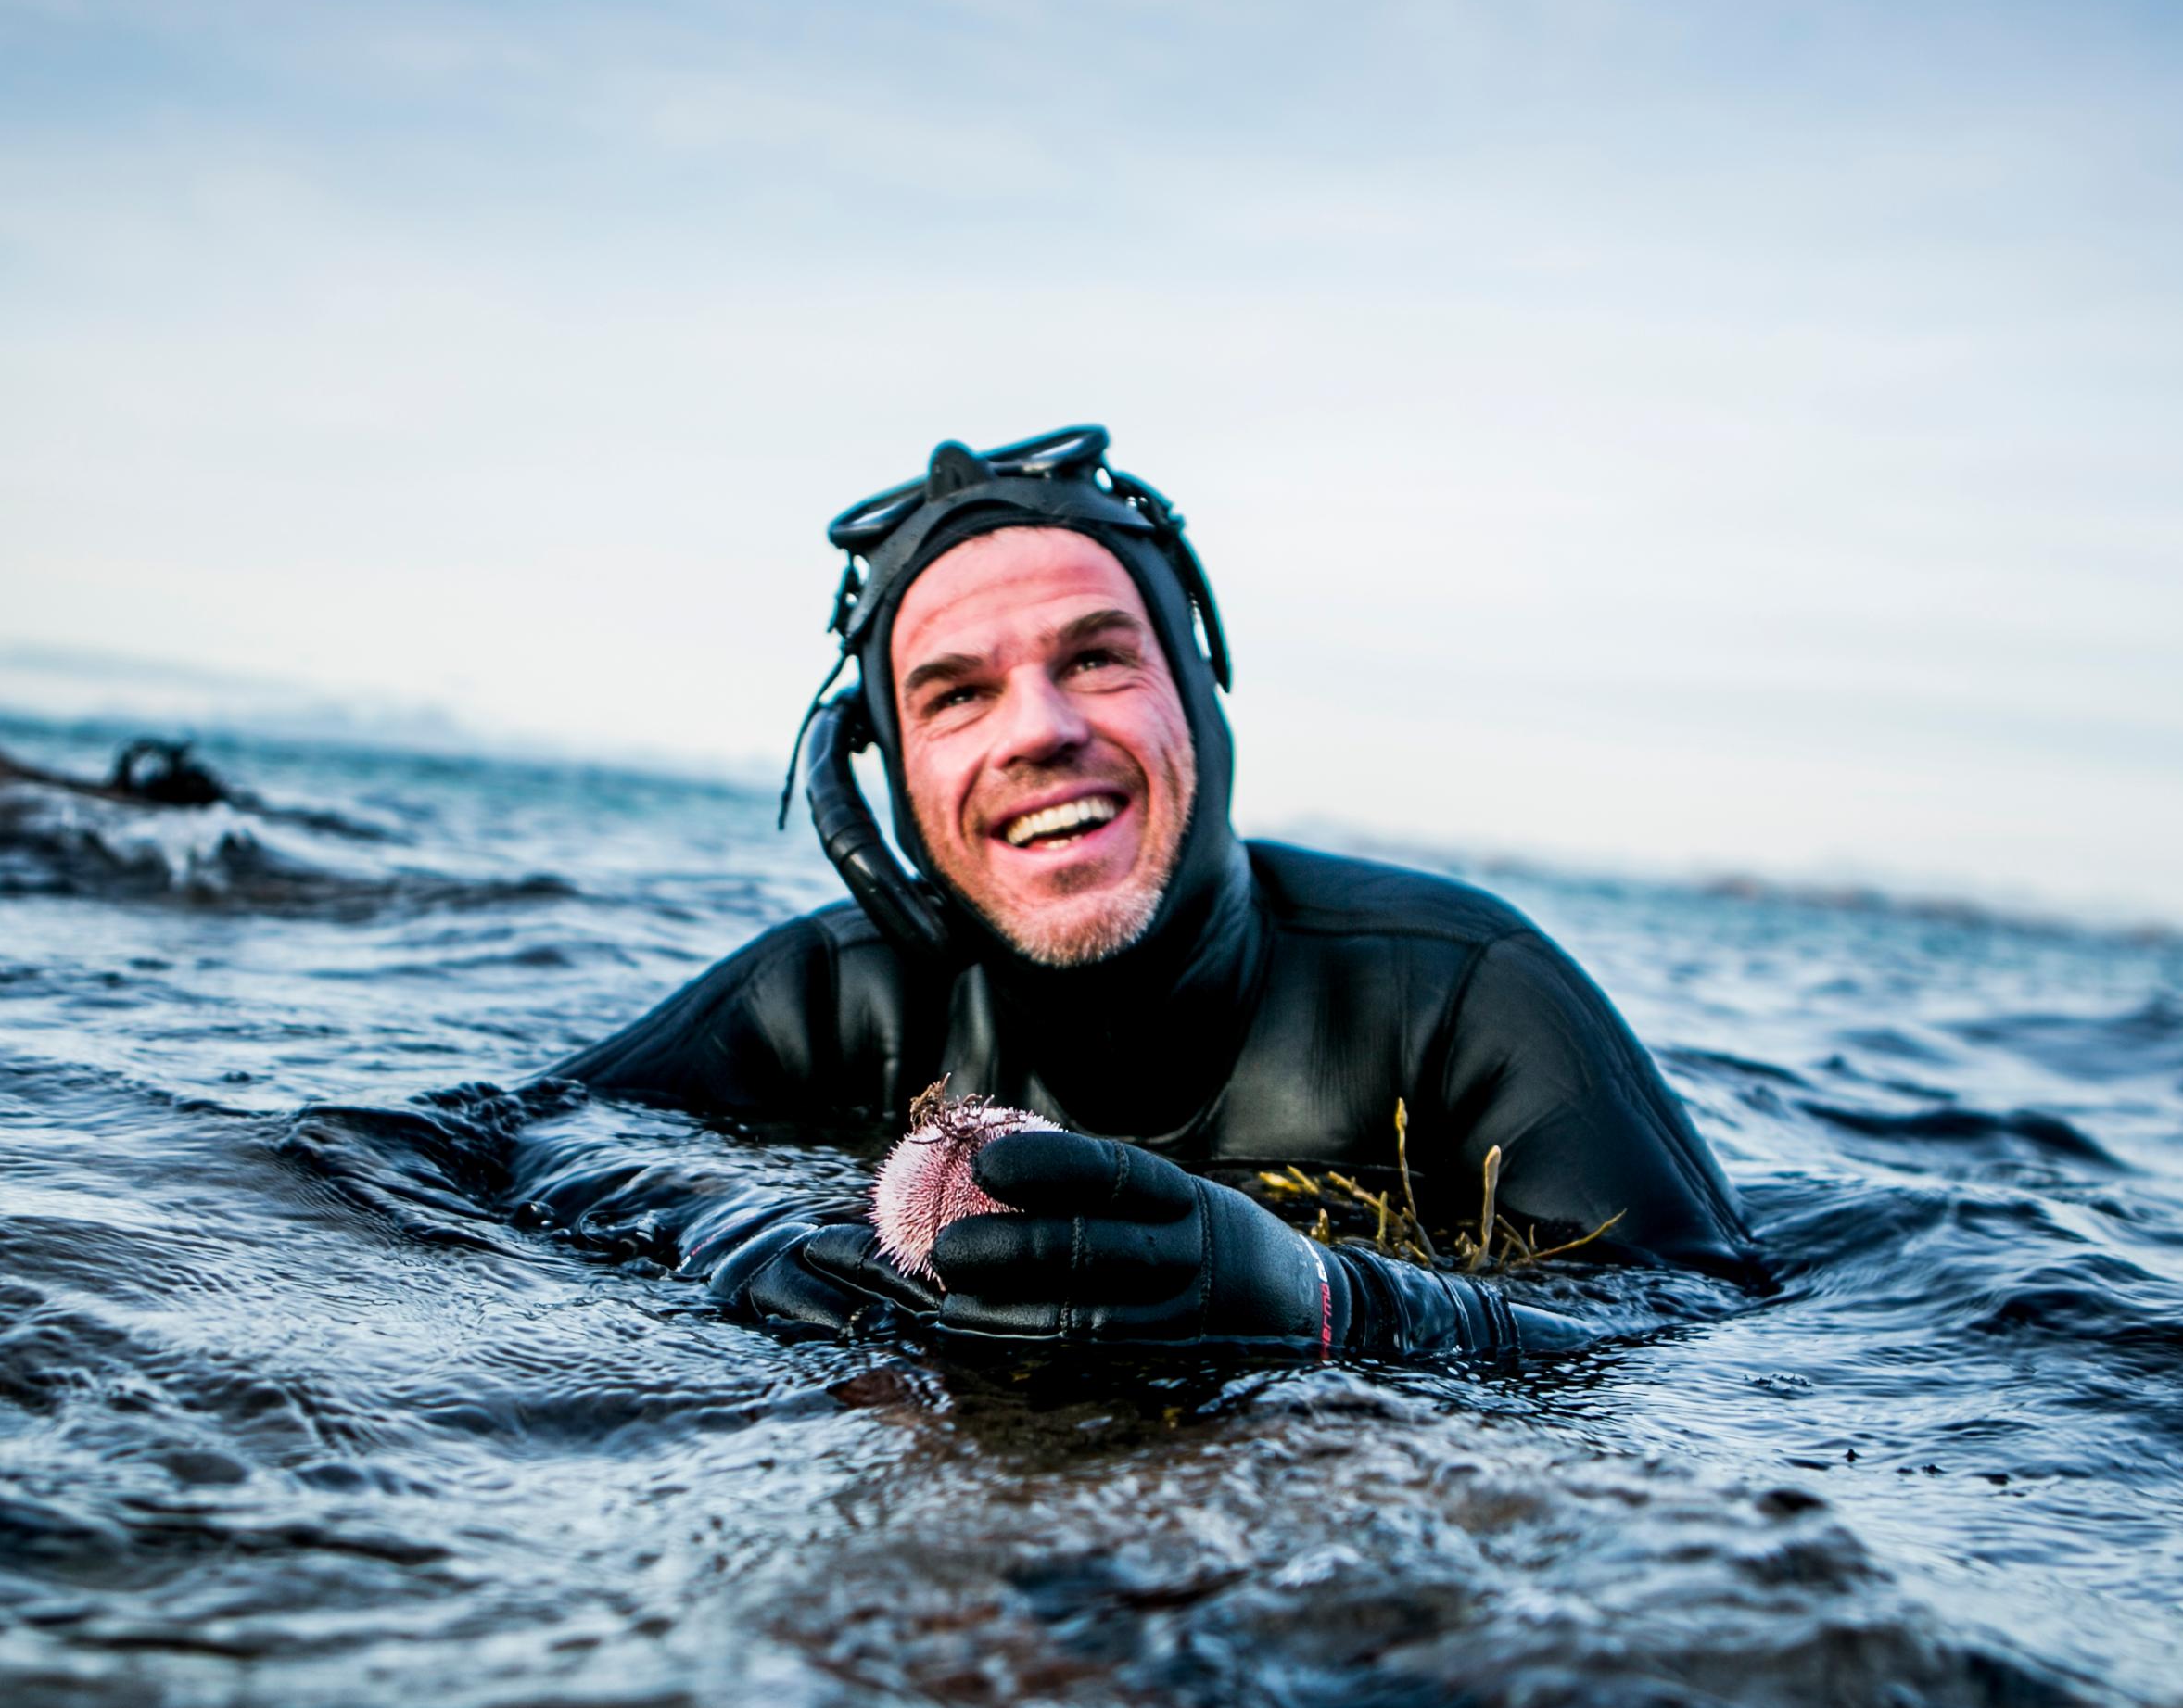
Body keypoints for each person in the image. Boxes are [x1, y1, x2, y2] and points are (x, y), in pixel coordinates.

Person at [555, 426, 1753, 1359]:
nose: (1039, 729)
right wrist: (732, 1229)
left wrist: (1336, 1300)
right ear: (884, 777)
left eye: (1095, 658)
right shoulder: (825, 995)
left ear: (1197, 692)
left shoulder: (1463, 991)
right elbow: (500, 1141)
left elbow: (1696, 1318)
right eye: (957, 694)